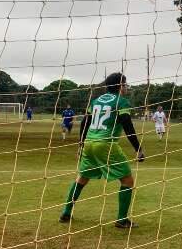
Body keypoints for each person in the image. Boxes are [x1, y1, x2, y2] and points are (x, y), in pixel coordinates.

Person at [59, 72, 145, 228]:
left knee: (82, 178)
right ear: (120, 86)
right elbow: (127, 125)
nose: (126, 87)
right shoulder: (122, 102)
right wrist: (138, 149)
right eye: (125, 84)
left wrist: (81, 144)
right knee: (127, 180)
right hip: (105, 144)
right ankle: (121, 220)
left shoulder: (96, 100)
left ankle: (66, 212)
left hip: (89, 143)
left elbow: (85, 121)